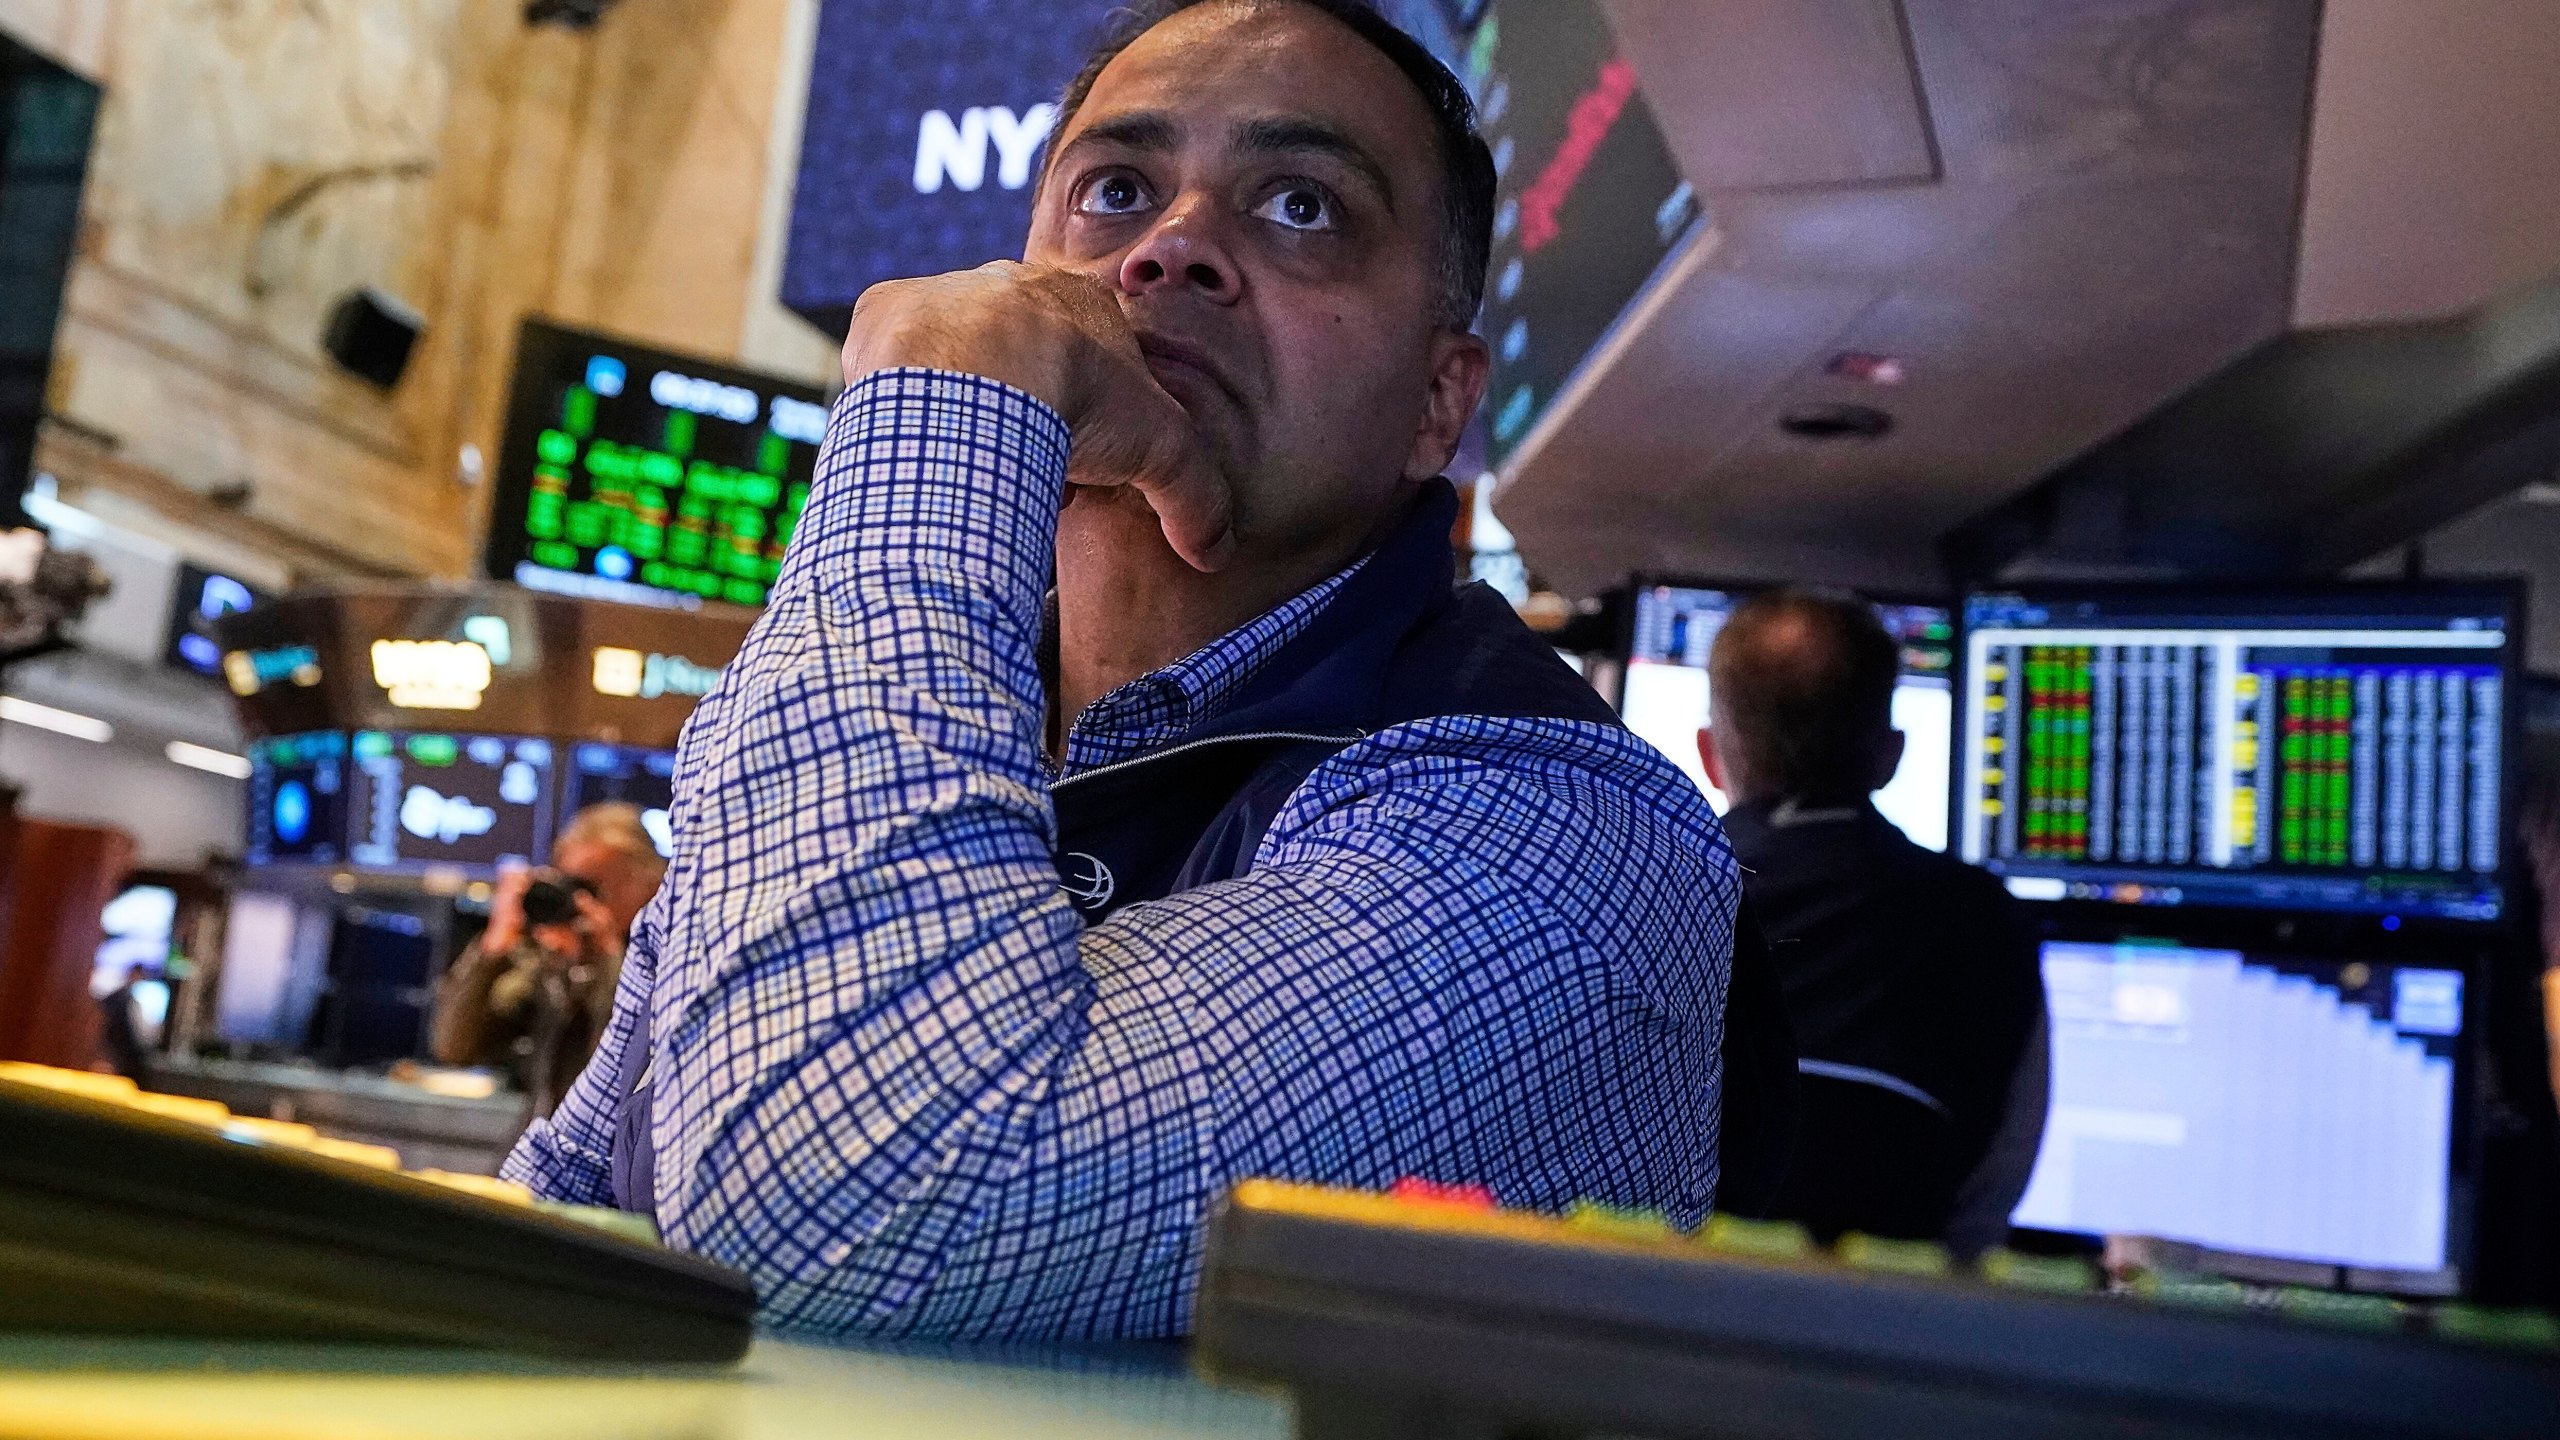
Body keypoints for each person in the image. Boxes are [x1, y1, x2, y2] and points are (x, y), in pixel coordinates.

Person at [505, 0, 1738, 1340]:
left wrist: (937, 423)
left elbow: (840, 1211)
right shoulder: (906, 703)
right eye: (1116, 188)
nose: (1174, 247)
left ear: (1439, 402)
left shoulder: (1568, 849)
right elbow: (568, 1210)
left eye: (1304, 206)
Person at [1696, 590, 2045, 1251]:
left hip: (1652, 1313)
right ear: (1891, 756)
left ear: (1711, 756)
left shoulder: (1657, 889)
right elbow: (1988, 1197)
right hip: (1892, 1331)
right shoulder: (1989, 924)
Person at [432, 803, 665, 1121]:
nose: (581, 903)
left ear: (650, 883)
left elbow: (623, 1077)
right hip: (535, 1150)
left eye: (593, 888)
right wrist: (494, 948)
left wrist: (605, 961)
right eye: (570, 885)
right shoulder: (548, 960)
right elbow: (454, 1046)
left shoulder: (664, 964)